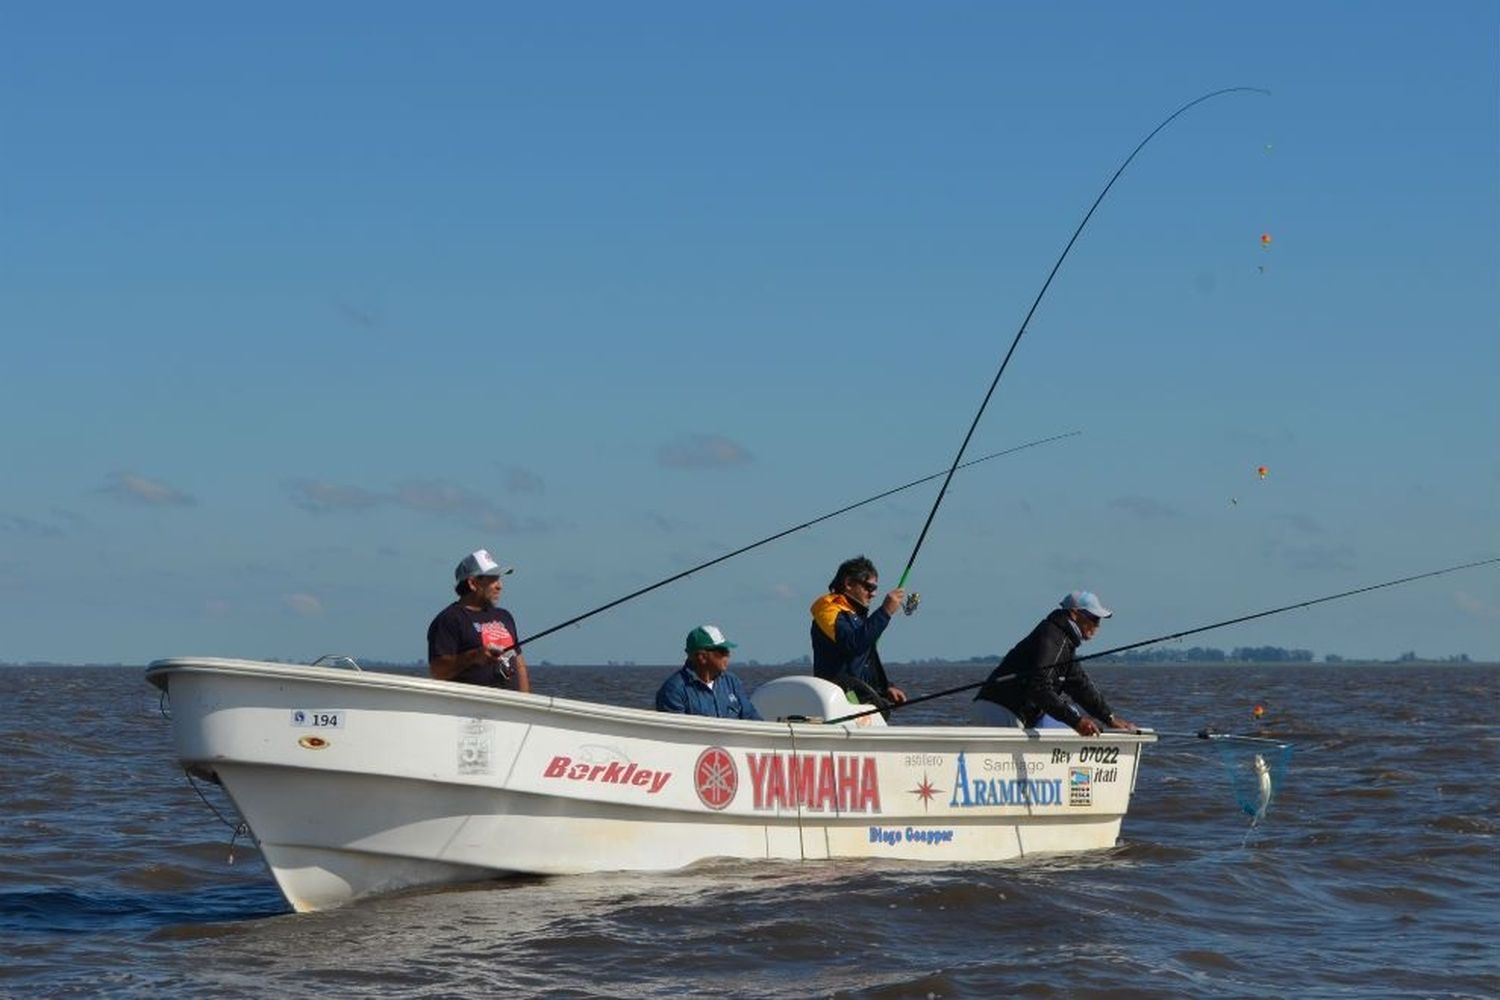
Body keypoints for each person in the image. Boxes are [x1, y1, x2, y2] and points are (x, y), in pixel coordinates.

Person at [971, 590, 1136, 736]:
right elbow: (1039, 687)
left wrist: (1109, 718)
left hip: (1001, 710)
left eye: (1099, 620)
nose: (1097, 625)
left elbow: (1080, 686)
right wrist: (1076, 722)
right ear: (1074, 614)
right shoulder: (1054, 637)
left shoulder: (1064, 642)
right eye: (1093, 618)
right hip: (1001, 711)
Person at [810, 555, 907, 710]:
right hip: (838, 700)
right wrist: (885, 612)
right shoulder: (829, 610)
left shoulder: (855, 614)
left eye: (875, 589)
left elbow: (864, 659)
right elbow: (853, 644)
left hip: (860, 698)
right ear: (848, 583)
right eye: (869, 587)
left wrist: (886, 687)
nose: (873, 594)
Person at [427, 548, 531, 692]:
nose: (500, 586)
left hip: (510, 708)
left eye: (499, 579)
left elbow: (519, 665)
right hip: (470, 709)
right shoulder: (449, 619)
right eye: (493, 579)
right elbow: (437, 671)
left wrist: (525, 702)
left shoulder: (504, 616)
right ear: (473, 583)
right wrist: (474, 656)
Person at [655, 625, 762, 720]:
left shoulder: (732, 682)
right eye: (723, 651)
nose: (728, 656)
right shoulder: (673, 691)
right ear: (702, 657)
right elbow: (675, 735)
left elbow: (751, 718)